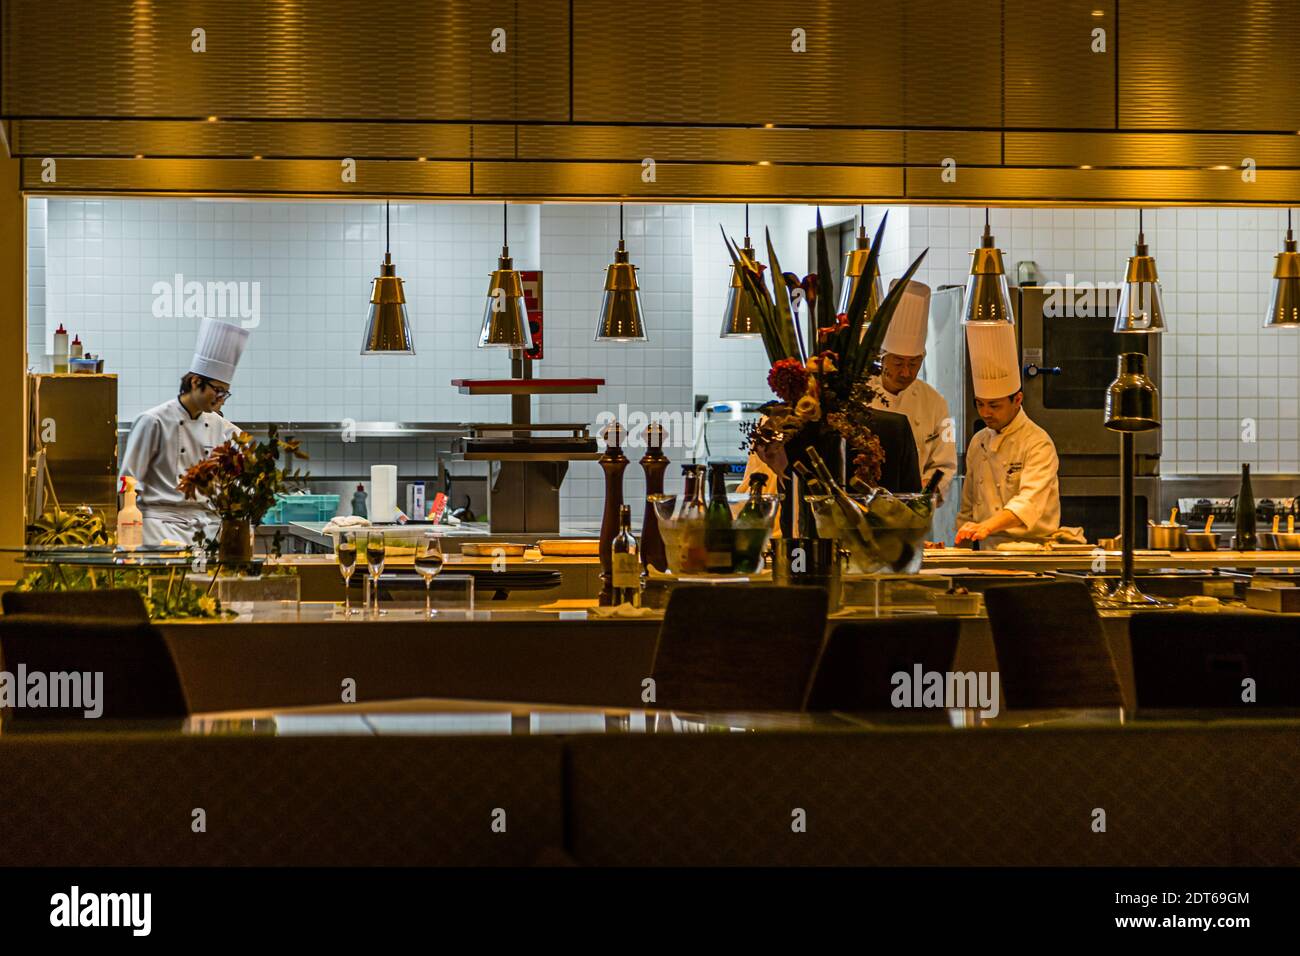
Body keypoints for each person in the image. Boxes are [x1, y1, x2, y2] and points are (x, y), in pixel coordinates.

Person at [120, 317, 250, 547]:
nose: (221, 399)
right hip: (159, 532)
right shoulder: (153, 422)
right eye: (217, 391)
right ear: (195, 381)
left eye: (225, 393)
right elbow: (128, 484)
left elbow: (246, 468)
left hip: (206, 532)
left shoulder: (223, 428)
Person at [955, 324, 1079, 547]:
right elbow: (968, 507)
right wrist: (959, 550)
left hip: (1030, 553)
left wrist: (986, 526)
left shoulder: (1038, 443)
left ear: (1018, 400)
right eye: (980, 404)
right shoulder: (978, 441)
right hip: (986, 553)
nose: (985, 413)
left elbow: (1028, 502)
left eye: (994, 405)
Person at [867, 280, 957, 502]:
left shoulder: (937, 403)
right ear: (882, 358)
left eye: (914, 363)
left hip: (914, 513)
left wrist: (928, 490)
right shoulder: (857, 395)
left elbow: (946, 464)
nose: (906, 372)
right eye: (898, 363)